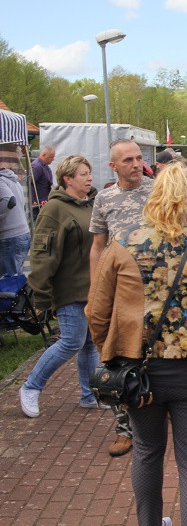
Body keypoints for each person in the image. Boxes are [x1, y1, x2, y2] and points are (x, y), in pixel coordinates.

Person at [86, 163, 187, 526]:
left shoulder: (122, 246)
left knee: (148, 451)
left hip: (139, 371)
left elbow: (97, 312)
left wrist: (112, 352)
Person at [19, 155, 101, 417]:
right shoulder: (55, 209)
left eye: (89, 173)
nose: (89, 178)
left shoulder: (90, 204)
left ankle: (91, 394)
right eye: (83, 174)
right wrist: (41, 294)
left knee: (90, 344)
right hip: (69, 289)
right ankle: (31, 387)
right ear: (67, 178)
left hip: (92, 289)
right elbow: (42, 254)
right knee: (70, 342)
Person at [89, 139, 154, 458]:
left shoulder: (158, 191)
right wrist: (95, 288)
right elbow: (98, 247)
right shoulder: (104, 198)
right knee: (117, 356)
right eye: (128, 159)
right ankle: (124, 428)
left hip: (157, 290)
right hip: (119, 291)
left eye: (139, 158)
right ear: (113, 166)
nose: (136, 164)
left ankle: (157, 418)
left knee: (156, 354)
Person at [0, 145, 31, 277]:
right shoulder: (12, 178)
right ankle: (22, 297)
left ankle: (18, 298)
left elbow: (9, 200)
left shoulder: (1, 180)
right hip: (22, 232)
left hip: (10, 236)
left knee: (9, 279)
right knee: (16, 276)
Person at [31, 145, 55, 222]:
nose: (53, 159)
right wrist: (32, 200)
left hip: (43, 202)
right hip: (37, 205)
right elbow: (30, 183)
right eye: (51, 157)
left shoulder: (45, 167)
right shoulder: (37, 166)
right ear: (44, 155)